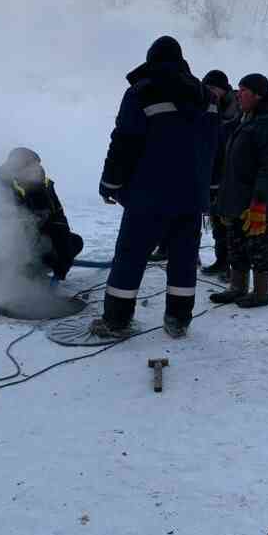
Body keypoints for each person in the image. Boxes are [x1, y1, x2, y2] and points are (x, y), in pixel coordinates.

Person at [92, 35, 219, 338]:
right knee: (184, 260)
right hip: (191, 197)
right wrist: (209, 189)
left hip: (149, 196)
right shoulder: (207, 98)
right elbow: (215, 148)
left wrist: (110, 183)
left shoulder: (141, 93)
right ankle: (178, 321)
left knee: (131, 256)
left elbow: (124, 142)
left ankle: (116, 321)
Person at [210, 73, 268, 308]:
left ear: (258, 94)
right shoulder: (247, 116)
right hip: (239, 198)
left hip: (259, 200)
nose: (238, 94)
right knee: (236, 243)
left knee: (260, 246)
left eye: (244, 90)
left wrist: (260, 203)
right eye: (238, 90)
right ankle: (237, 287)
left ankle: (261, 293)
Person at [0, 147, 83, 282]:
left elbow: (59, 223)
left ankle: (39, 268)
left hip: (39, 242)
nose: (36, 170)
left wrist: (64, 258)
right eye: (30, 167)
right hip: (15, 250)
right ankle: (20, 275)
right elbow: (0, 230)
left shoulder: (46, 188)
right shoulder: (5, 190)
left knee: (74, 242)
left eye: (37, 166)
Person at [200, 69, 241, 281]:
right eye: (207, 88)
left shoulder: (238, 109)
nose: (210, 92)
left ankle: (233, 268)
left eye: (213, 88)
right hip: (213, 172)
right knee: (217, 221)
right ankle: (221, 260)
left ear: (224, 89)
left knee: (231, 224)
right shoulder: (206, 105)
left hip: (231, 173)